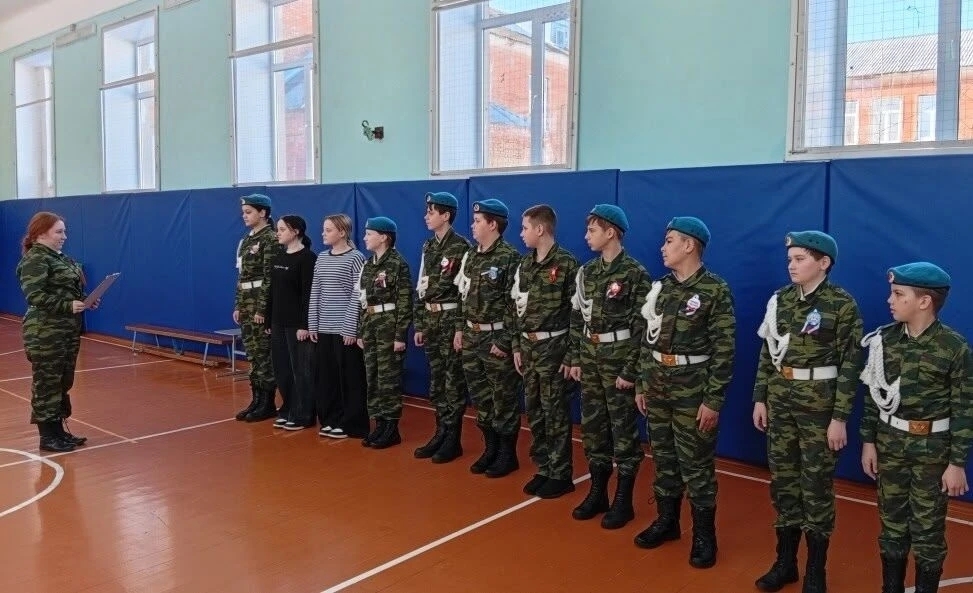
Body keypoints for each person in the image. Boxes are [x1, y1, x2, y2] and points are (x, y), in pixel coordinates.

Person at [751, 231, 863, 593]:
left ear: (823, 263)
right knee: (783, 484)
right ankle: (785, 563)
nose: (792, 265)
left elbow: (850, 366)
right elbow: (768, 351)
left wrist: (839, 418)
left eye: (800, 259)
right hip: (780, 401)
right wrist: (760, 397)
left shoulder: (841, 304)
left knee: (815, 487)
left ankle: (816, 572)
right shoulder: (780, 300)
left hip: (819, 408)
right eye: (790, 259)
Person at [860, 262, 972, 593]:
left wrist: (956, 463)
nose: (890, 300)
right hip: (891, 444)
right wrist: (868, 442)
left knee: (928, 530)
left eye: (898, 294)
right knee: (891, 525)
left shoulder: (954, 347)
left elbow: (964, 409)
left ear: (924, 301)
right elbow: (873, 394)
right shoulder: (884, 340)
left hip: (932, 452)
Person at [633, 217, 735, 569]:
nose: (662, 247)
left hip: (693, 390)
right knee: (663, 457)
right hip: (658, 384)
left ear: (689, 245)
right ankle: (668, 521)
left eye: (670, 241)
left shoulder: (714, 290)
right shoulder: (659, 288)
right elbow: (646, 339)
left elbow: (724, 350)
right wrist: (642, 383)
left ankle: (705, 536)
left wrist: (713, 400)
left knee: (696, 464)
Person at [567, 204, 650, 529]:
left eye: (592, 230)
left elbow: (642, 328)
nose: (586, 236)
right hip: (590, 356)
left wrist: (630, 371)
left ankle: (623, 500)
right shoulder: (587, 272)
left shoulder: (635, 273)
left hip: (618, 359)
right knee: (593, 428)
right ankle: (598, 492)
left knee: (623, 431)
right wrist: (576, 357)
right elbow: (577, 317)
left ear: (611, 232)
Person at [511, 204, 580, 498]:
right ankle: (544, 467)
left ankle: (561, 473)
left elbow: (577, 314)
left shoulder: (566, 264)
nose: (521, 233)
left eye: (525, 227)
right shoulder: (525, 265)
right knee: (535, 411)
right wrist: (517, 345)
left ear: (540, 229)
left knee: (555, 413)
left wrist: (571, 355)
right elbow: (516, 307)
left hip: (554, 348)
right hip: (529, 348)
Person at [16, 212, 97, 452]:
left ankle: (59, 432)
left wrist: (86, 300)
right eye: (59, 232)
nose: (64, 236)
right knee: (47, 382)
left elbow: (66, 289)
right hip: (45, 332)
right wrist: (67, 306)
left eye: (64, 231)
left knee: (62, 380)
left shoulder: (59, 258)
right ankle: (47, 437)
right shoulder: (36, 259)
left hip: (66, 330)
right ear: (41, 233)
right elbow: (35, 296)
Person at [454, 199, 522, 478]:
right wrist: (460, 329)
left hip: (495, 338)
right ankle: (490, 447)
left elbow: (514, 305)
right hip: (472, 336)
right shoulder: (471, 255)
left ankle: (507, 453)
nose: (472, 225)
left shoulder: (509, 257)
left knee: (502, 398)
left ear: (493, 224)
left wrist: (504, 341)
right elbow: (463, 295)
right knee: (481, 397)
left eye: (478, 221)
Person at [413, 192, 471, 463]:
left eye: (431, 212)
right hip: (431, 319)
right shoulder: (428, 246)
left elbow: (462, 292)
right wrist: (420, 323)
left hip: (449, 319)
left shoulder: (461, 246)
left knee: (452, 381)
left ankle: (453, 439)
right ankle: (440, 432)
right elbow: (421, 285)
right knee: (437, 381)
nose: (426, 216)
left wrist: (459, 328)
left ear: (446, 215)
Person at [308, 214, 369, 440]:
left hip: (344, 330)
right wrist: (312, 323)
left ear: (342, 233)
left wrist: (350, 327)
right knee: (327, 377)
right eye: (324, 229)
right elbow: (316, 291)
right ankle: (331, 419)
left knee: (350, 378)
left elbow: (357, 294)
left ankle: (352, 423)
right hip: (324, 328)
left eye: (328, 230)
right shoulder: (322, 258)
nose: (323, 234)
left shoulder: (356, 258)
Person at [358, 216, 413, 449]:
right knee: (372, 377)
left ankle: (391, 428)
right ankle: (379, 423)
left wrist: (400, 336)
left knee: (388, 378)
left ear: (383, 237)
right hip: (370, 325)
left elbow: (405, 301)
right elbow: (363, 299)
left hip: (388, 327)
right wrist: (360, 331)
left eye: (369, 234)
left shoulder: (397, 263)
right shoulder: (368, 264)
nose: (365, 238)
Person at [266, 215, 317, 431]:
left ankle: (304, 414)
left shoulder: (307, 258)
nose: (277, 233)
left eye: (282, 229)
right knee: (282, 369)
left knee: (301, 370)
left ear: (295, 232)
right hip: (278, 322)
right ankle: (288, 408)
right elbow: (272, 290)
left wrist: (305, 325)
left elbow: (308, 295)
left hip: (297, 325)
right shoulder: (279, 256)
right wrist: (268, 318)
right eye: (277, 229)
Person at [233, 193, 280, 423]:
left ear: (263, 213)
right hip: (247, 302)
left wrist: (263, 309)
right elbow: (242, 275)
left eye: (249, 212)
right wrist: (238, 304)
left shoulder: (270, 239)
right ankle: (256, 399)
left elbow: (270, 278)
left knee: (263, 354)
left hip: (259, 304)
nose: (244, 216)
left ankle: (267, 402)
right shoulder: (246, 240)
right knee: (253, 354)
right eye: (243, 212)